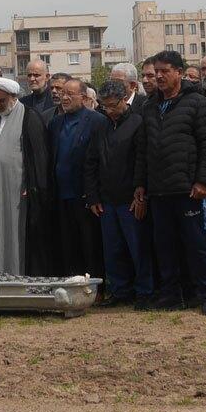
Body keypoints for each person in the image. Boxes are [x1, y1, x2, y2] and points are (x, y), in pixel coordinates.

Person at [135, 50, 206, 316]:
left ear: (179, 73)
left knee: (197, 244)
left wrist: (203, 180)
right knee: (164, 246)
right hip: (159, 189)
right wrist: (141, 184)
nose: (159, 76)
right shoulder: (149, 106)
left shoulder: (196, 103)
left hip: (188, 189)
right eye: (156, 72)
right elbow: (143, 149)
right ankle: (172, 295)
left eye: (165, 71)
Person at [85, 79, 151, 307]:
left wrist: (140, 192)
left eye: (113, 105)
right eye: (105, 106)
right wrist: (93, 196)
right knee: (113, 250)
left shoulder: (138, 122)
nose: (110, 111)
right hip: (106, 199)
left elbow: (142, 160)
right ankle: (120, 291)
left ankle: (144, 291)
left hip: (130, 199)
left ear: (124, 100)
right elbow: (91, 162)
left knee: (138, 248)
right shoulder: (100, 126)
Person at [0, 77, 51, 273]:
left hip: (20, 193)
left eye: (1, 101)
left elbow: (39, 158)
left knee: (18, 234)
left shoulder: (29, 118)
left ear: (13, 97)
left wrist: (32, 185)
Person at [47, 78, 109, 277]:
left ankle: (94, 284)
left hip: (85, 195)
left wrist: (94, 193)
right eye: (62, 93)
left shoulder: (97, 121)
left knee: (89, 244)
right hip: (61, 194)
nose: (64, 97)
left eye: (69, 94)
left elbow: (101, 160)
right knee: (67, 244)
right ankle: (71, 282)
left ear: (83, 97)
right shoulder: (55, 123)